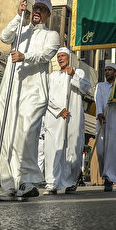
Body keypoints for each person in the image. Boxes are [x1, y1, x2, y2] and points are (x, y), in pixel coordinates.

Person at [0, 0, 59, 201]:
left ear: (48, 14)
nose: (37, 11)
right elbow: (5, 37)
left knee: (25, 135)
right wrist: (17, 15)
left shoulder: (52, 35)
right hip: (11, 89)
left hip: (33, 93)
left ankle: (27, 181)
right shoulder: (20, 31)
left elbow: (46, 55)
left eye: (42, 9)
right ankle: (8, 185)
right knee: (6, 136)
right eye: (35, 8)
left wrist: (25, 57)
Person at [43, 47, 89, 194]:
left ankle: (70, 181)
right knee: (53, 149)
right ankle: (52, 183)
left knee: (72, 150)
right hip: (55, 118)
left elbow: (86, 89)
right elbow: (46, 97)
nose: (60, 58)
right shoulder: (52, 76)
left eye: (63, 56)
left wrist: (74, 75)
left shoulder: (79, 72)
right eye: (58, 56)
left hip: (73, 118)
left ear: (69, 57)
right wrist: (58, 110)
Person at [93, 60, 116, 192]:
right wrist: (99, 112)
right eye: (105, 70)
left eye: (109, 70)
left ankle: (109, 179)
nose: (107, 72)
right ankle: (105, 174)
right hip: (102, 121)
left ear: (115, 73)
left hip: (115, 121)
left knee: (112, 150)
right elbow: (97, 99)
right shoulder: (100, 86)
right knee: (100, 150)